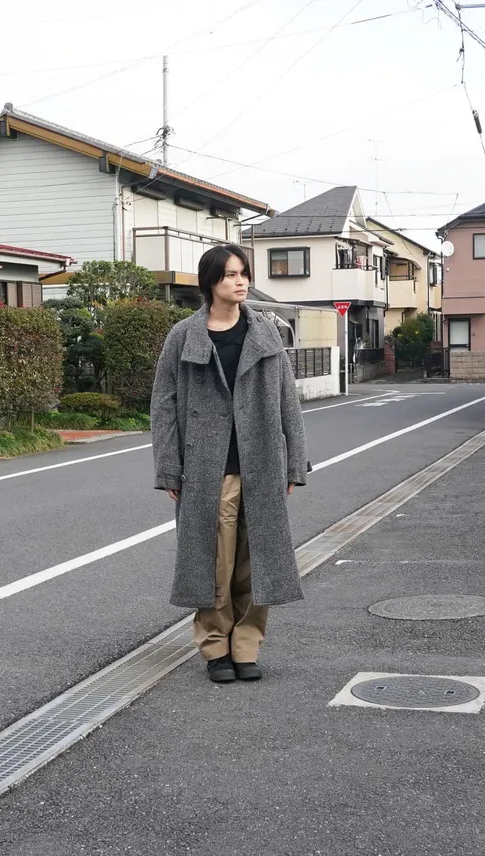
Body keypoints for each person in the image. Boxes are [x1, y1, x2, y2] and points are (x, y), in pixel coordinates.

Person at [150, 244, 311, 683]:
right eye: (229, 275)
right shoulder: (184, 336)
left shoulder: (265, 333)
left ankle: (246, 646)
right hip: (207, 468)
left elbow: (287, 402)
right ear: (210, 283)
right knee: (213, 561)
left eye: (243, 273)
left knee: (256, 561)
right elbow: (163, 405)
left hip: (261, 464)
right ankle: (215, 647)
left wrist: (295, 462)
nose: (239, 282)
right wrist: (168, 466)